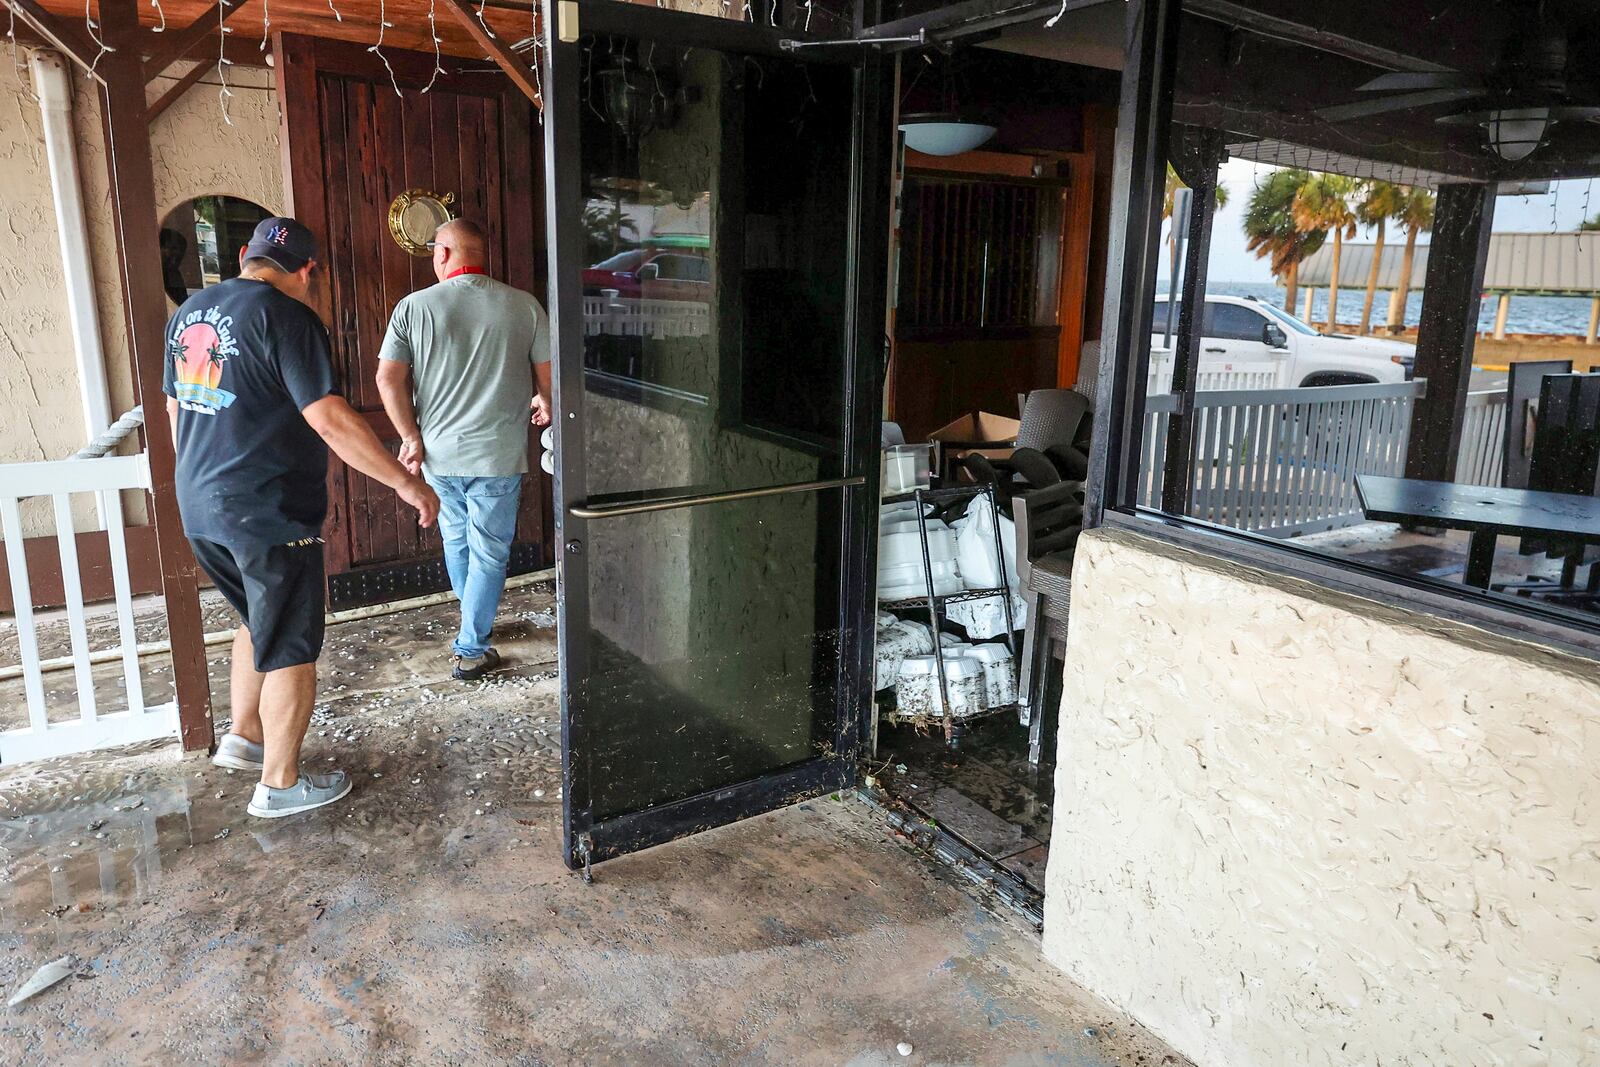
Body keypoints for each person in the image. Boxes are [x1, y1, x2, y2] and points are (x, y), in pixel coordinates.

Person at [165, 216, 439, 818]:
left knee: (255, 617)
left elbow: (176, 408)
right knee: (291, 642)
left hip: (199, 503)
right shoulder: (288, 317)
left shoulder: (191, 312)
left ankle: (244, 736)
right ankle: (280, 786)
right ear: (308, 271)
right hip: (267, 509)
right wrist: (405, 485)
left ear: (243, 255)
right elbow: (330, 418)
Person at [375, 218, 552, 682]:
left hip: (438, 456)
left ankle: (475, 624)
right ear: (480, 255)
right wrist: (544, 401)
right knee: (490, 552)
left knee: (456, 540)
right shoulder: (524, 306)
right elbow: (549, 383)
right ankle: (472, 645)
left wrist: (410, 436)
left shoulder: (413, 307)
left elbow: (387, 378)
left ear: (443, 254)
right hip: (498, 456)